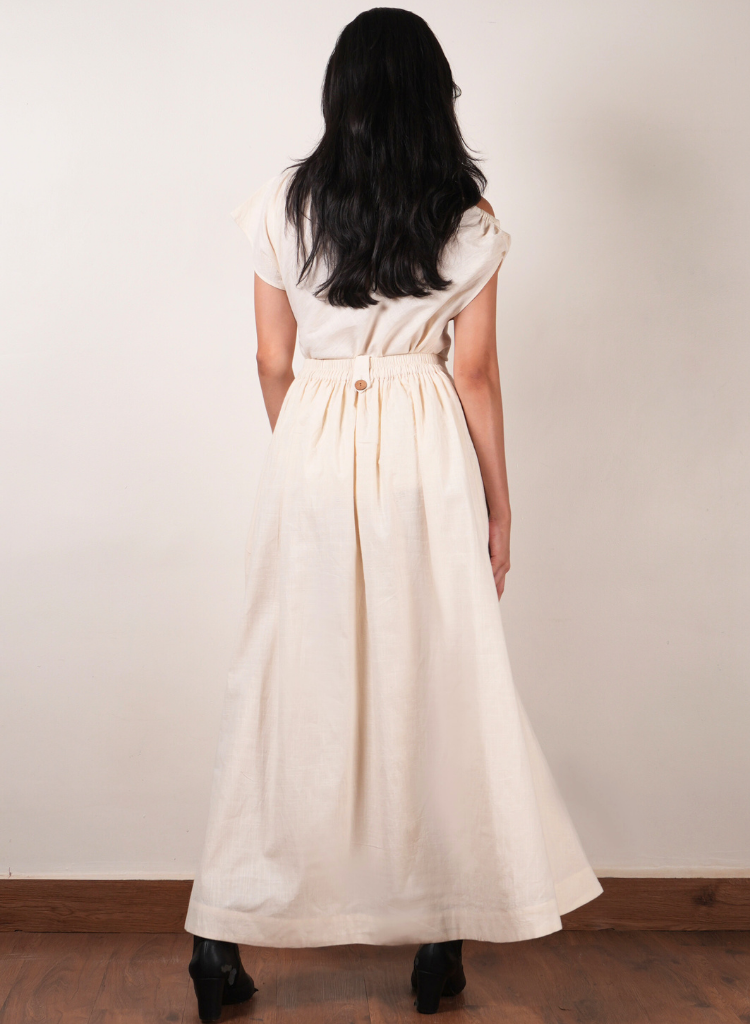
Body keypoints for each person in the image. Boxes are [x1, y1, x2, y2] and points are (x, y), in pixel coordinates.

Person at [184, 8, 603, 1020]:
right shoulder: (467, 216)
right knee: (437, 680)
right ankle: (439, 937)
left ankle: (218, 938)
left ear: (340, 95)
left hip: (312, 442)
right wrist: (502, 507)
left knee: (283, 681)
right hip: (424, 448)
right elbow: (476, 373)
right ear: (433, 98)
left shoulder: (284, 204)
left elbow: (271, 359)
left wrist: (310, 447)